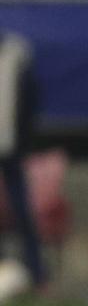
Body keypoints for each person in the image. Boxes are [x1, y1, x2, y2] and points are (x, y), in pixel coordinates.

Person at [0, 30, 46, 290]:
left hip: (11, 147)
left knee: (21, 211)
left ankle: (38, 274)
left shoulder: (16, 55)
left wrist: (25, 138)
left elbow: (30, 99)